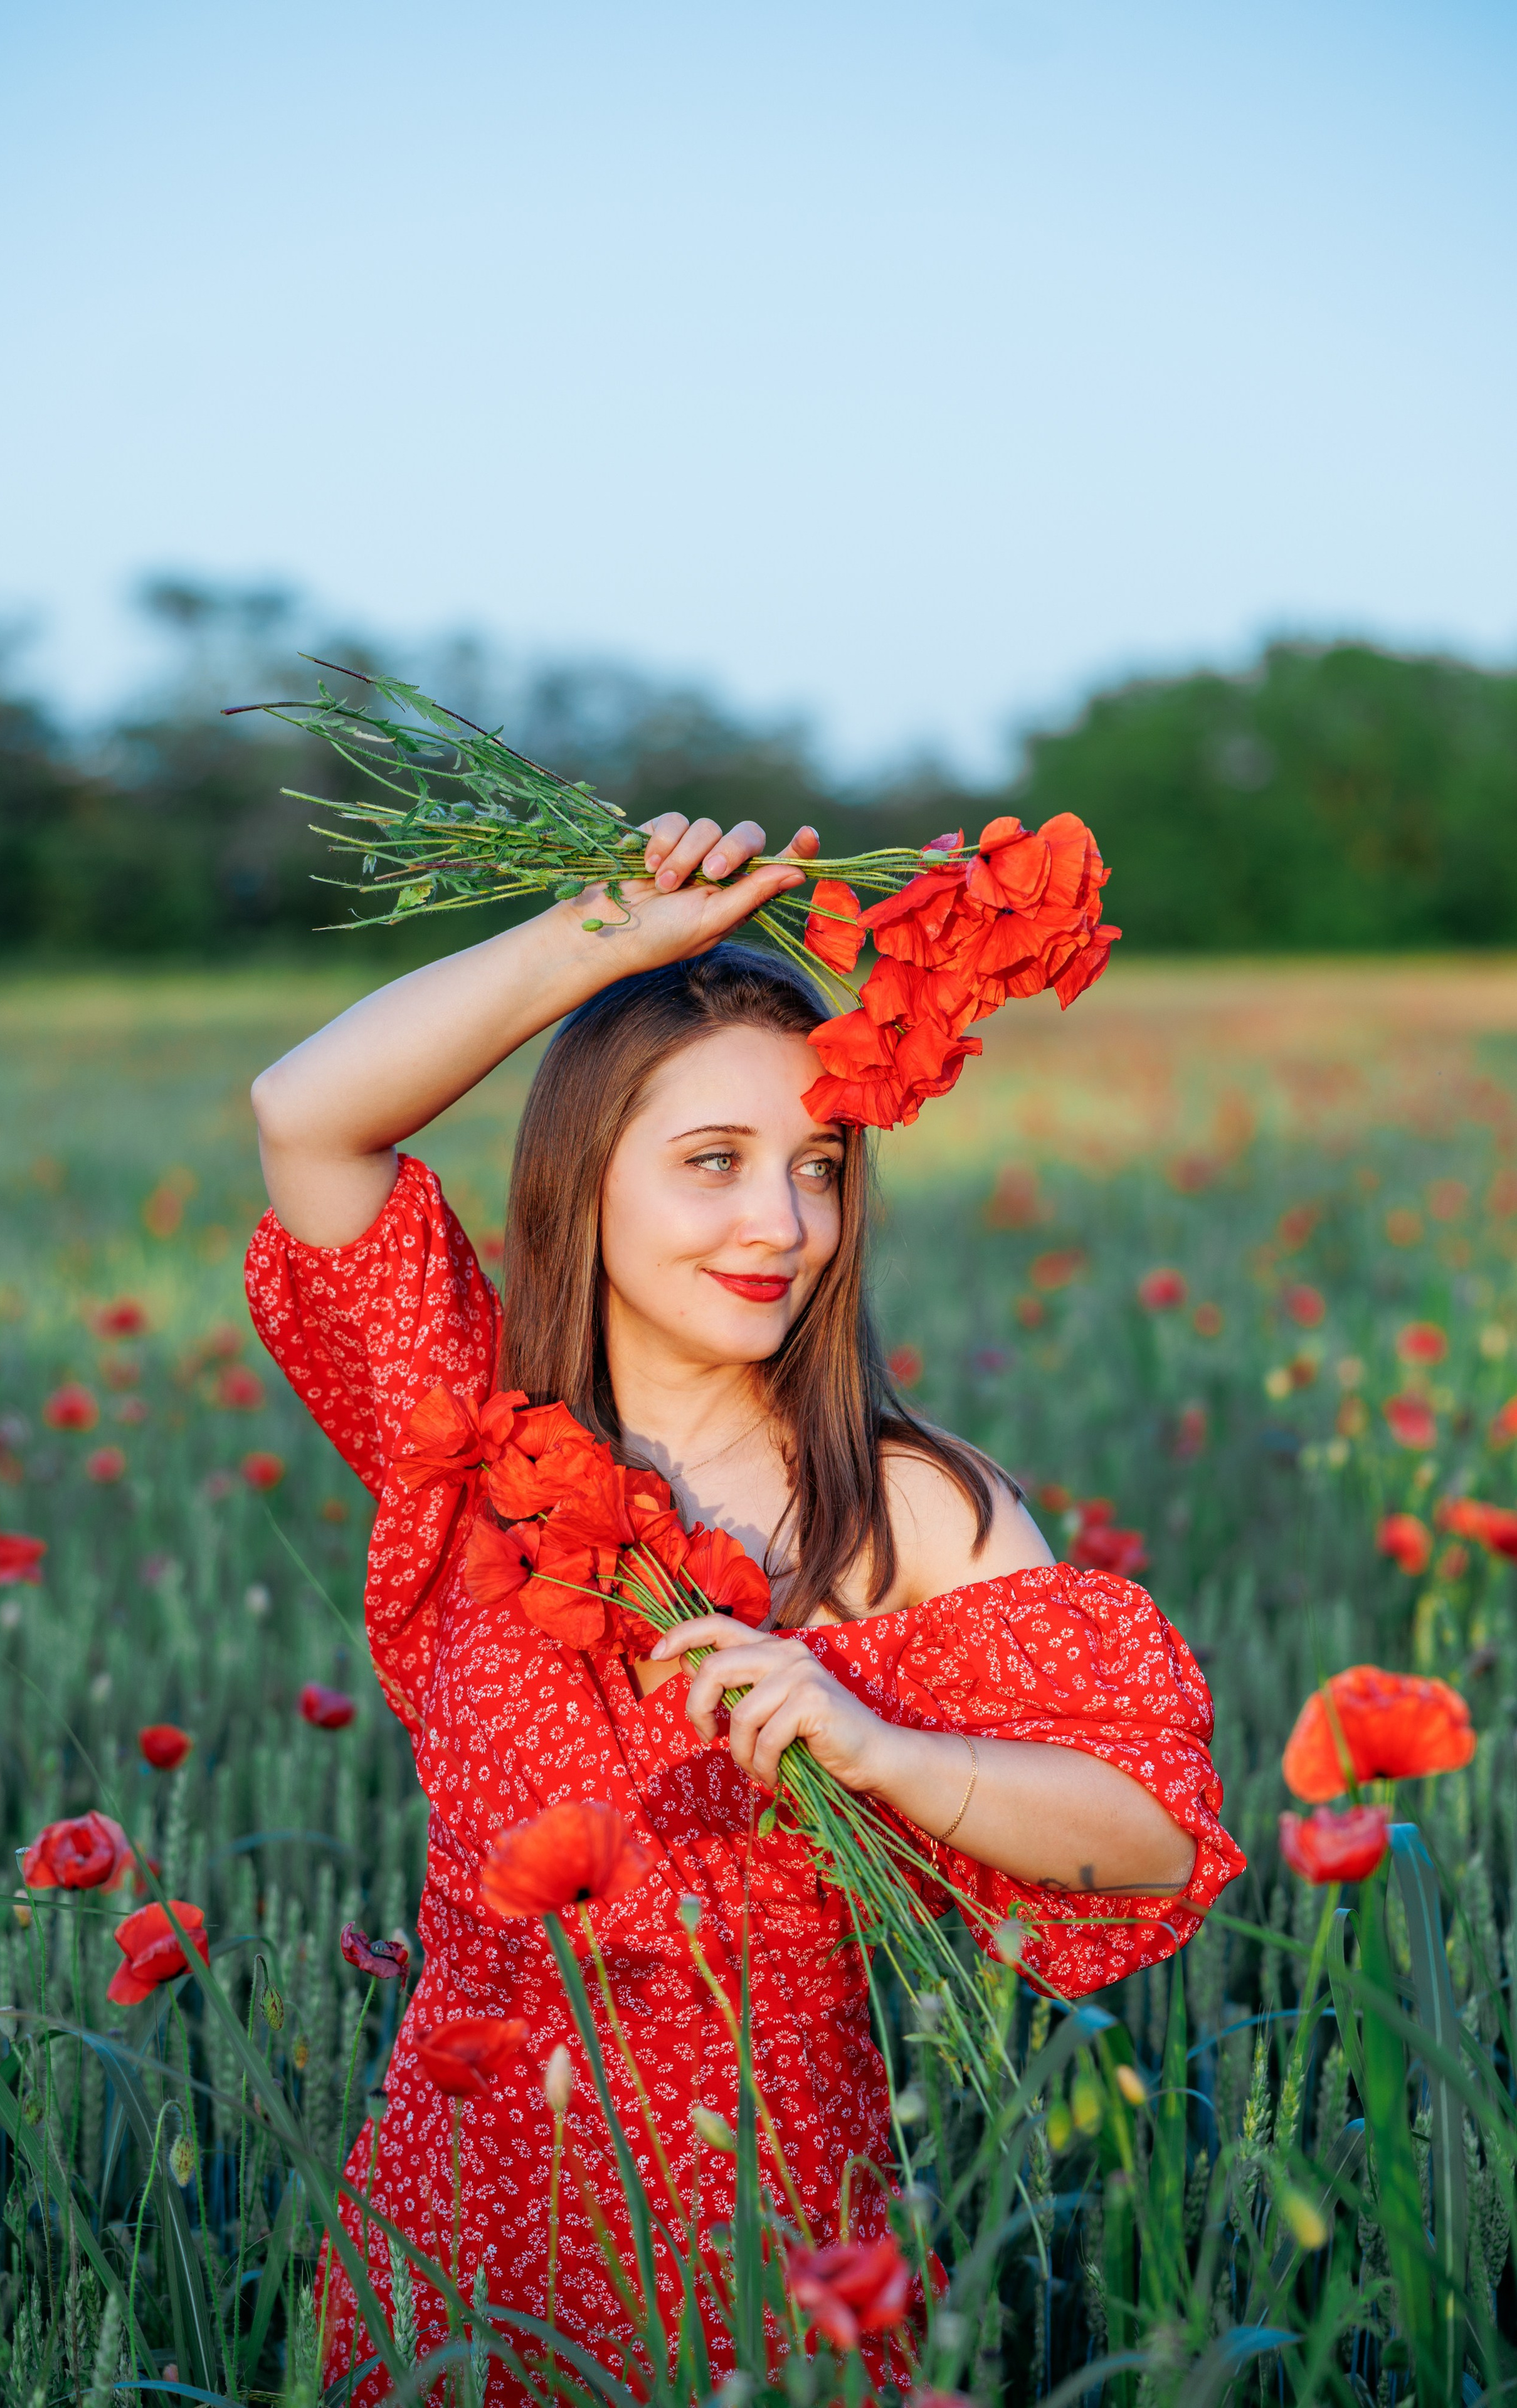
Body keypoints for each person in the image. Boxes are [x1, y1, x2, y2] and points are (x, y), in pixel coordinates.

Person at [245, 810, 1243, 2402]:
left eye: (817, 1167)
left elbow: (1147, 1836)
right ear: (583, 1177)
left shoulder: (906, 1505)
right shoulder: (469, 1432)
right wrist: (616, 936)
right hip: (454, 2213)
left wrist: (881, 1751)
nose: (780, 1222)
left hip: (773, 2228)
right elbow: (304, 1114)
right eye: (711, 1163)